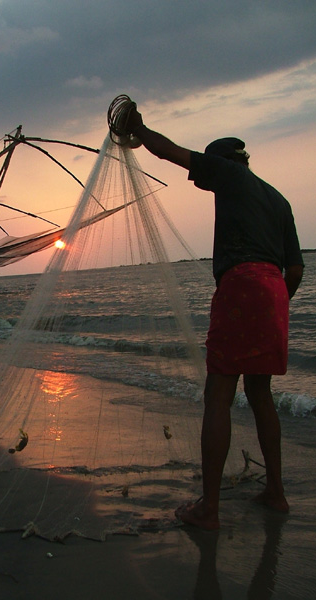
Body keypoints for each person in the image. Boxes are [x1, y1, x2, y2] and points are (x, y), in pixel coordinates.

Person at [125, 107, 304, 530]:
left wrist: (139, 130)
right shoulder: (279, 199)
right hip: (275, 291)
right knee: (261, 396)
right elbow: (294, 271)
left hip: (241, 282)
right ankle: (276, 493)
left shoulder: (229, 176)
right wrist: (273, 301)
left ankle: (209, 509)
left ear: (224, 164)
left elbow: (173, 153)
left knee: (218, 396)